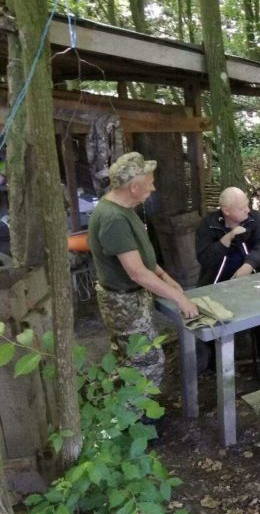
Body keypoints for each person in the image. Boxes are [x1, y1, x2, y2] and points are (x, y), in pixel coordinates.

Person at [88, 152, 199, 389]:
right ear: (135, 188)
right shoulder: (113, 218)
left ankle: (129, 413)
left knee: (130, 358)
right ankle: (138, 419)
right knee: (145, 361)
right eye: (149, 184)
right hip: (124, 302)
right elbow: (137, 272)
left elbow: (142, 256)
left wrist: (164, 276)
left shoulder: (124, 209)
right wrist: (180, 298)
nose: (154, 188)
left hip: (131, 300)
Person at [195, 187, 260, 381]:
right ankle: (216, 367)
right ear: (226, 211)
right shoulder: (208, 226)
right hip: (216, 284)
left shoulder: (255, 219)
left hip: (252, 281)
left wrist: (248, 266)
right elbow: (205, 259)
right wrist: (229, 237)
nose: (248, 211)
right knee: (215, 324)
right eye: (242, 208)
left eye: (248, 206)